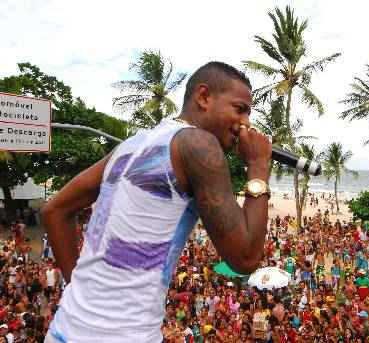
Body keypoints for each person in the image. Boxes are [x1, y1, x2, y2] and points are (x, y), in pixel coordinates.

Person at [41, 62, 272, 342]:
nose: (245, 123)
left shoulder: (130, 146)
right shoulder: (199, 144)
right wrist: (258, 165)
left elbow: (55, 210)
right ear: (204, 97)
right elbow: (245, 258)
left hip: (65, 328)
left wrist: (75, 286)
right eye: (240, 109)